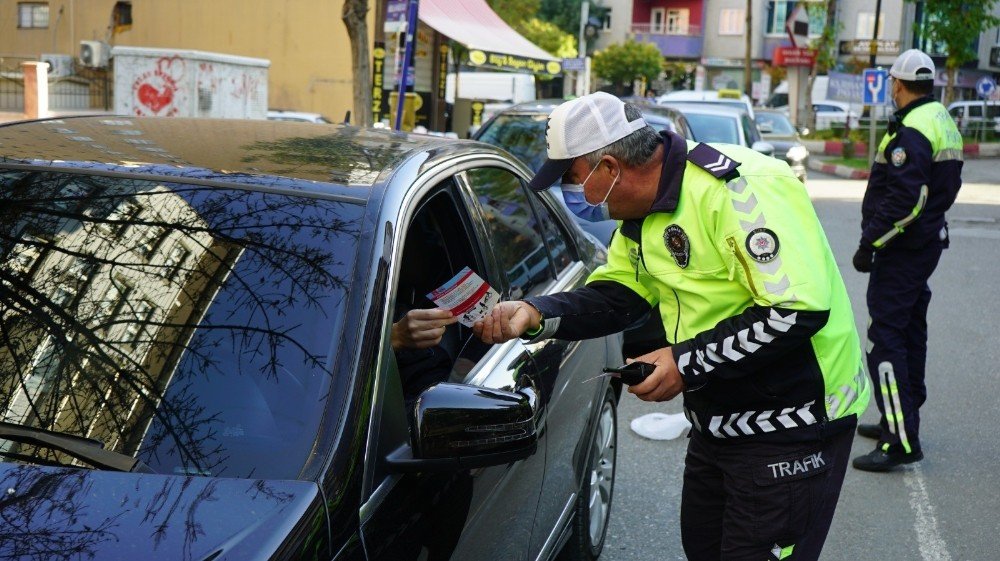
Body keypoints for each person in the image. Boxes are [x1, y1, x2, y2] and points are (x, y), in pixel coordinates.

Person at [473, 92, 870, 561]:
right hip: (717, 421)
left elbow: (795, 310)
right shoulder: (642, 214)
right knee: (702, 548)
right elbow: (620, 294)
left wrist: (684, 362)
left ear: (607, 166)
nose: (572, 194)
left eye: (572, 179)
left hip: (794, 421)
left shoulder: (741, 187)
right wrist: (537, 313)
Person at [850, 49, 963, 472]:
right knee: (910, 335)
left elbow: (906, 200)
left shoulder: (913, 129)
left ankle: (899, 440)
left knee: (886, 341)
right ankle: (900, 418)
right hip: (924, 245)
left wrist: (871, 243)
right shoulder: (940, 118)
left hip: (902, 250)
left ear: (896, 84)